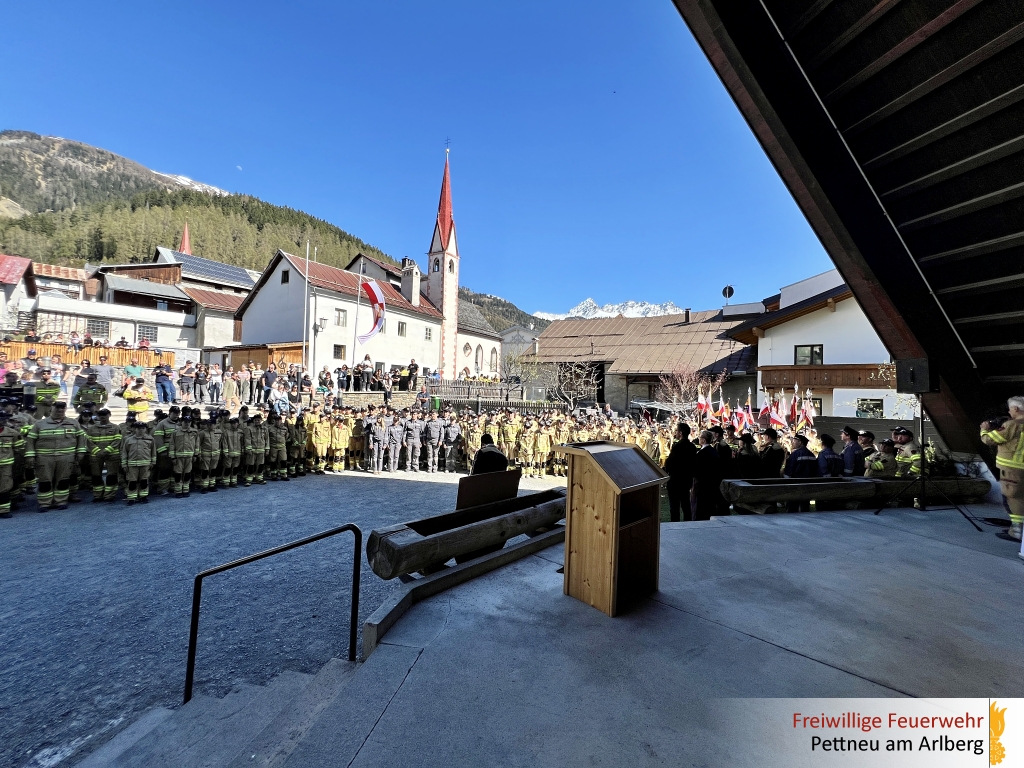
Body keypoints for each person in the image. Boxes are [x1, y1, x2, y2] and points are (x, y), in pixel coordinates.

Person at [26, 401, 86, 511]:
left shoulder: (73, 423)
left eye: (62, 409)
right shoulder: (40, 424)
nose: (60, 411)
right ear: (51, 409)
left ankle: (61, 501)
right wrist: (30, 455)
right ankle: (44, 503)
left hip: (66, 457)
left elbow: (81, 439)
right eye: (57, 408)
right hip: (45, 457)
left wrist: (80, 452)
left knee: (63, 480)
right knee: (45, 480)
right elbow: (30, 440)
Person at [981, 397, 1024, 541]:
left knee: (1012, 499)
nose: (1009, 412)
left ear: (1016, 409)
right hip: (1021, 470)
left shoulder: (1012, 425)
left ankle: (1016, 531)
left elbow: (990, 439)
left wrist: (984, 430)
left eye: (1010, 409)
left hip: (1012, 470)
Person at [85, 408, 121, 502]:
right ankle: (98, 495)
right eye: (100, 415)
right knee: (96, 476)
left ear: (109, 415)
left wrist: (106, 451)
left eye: (105, 415)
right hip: (96, 455)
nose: (102, 417)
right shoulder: (91, 428)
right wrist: (97, 451)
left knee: (112, 475)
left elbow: (117, 441)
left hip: (112, 455)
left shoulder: (116, 427)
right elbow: (88, 441)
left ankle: (109, 496)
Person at [663, 422, 697, 522]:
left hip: (675, 480)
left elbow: (670, 463)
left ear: (681, 433)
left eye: (677, 431)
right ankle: (688, 524)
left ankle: (675, 525)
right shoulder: (692, 447)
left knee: (674, 507)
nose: (676, 433)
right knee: (686, 505)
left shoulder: (677, 446)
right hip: (687, 480)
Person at [121, 419, 156, 505]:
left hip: (145, 464)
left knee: (144, 481)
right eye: (138, 428)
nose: (141, 430)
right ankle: (131, 498)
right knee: (132, 481)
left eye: (143, 428)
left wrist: (153, 462)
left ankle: (143, 497)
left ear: (145, 429)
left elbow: (153, 452)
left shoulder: (150, 439)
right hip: (132, 465)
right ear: (134, 429)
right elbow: (124, 453)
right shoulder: (128, 440)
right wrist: (124, 464)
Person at [784, 434, 819, 512]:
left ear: (800, 442)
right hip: (808, 485)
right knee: (805, 506)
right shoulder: (811, 455)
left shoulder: (795, 454)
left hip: (795, 485)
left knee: (792, 506)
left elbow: (789, 470)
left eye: (794, 441)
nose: (792, 443)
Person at [693, 430, 722, 521]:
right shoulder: (713, 451)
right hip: (712, 483)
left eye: (700, 437)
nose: (698, 438)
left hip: (702, 483)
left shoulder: (702, 453)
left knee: (702, 506)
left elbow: (697, 469)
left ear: (704, 440)